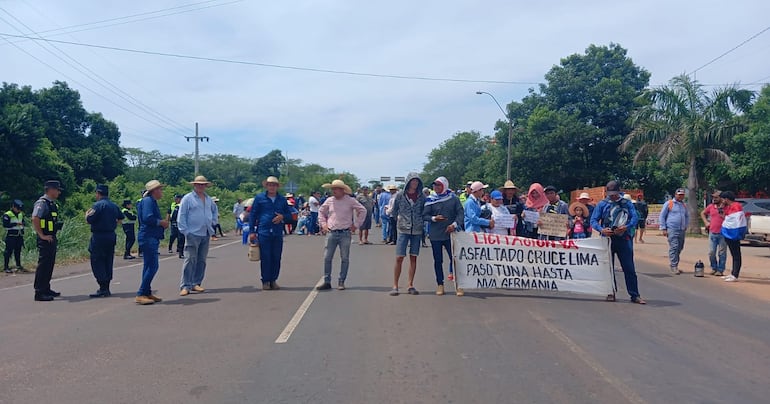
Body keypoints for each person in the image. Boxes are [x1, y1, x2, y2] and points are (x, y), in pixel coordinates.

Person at [591, 180, 646, 304]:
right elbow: (593, 220)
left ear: (619, 191)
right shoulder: (602, 204)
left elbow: (635, 217)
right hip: (607, 240)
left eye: (615, 193)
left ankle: (634, 295)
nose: (613, 196)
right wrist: (601, 229)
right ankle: (610, 292)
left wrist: (626, 227)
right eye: (611, 193)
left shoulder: (627, 203)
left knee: (629, 268)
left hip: (624, 238)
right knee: (608, 268)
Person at [316, 180, 367, 290]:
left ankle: (341, 281)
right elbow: (321, 211)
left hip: (345, 233)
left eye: (336, 188)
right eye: (333, 189)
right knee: (327, 257)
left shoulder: (350, 200)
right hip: (332, 232)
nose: (334, 191)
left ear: (342, 190)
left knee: (344, 258)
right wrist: (323, 224)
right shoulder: (329, 200)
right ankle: (327, 281)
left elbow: (363, 210)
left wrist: (356, 225)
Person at [177, 175, 218, 296]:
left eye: (203, 184)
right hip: (192, 233)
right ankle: (185, 285)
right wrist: (185, 231)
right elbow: (182, 215)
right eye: (198, 184)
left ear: (206, 186)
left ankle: (196, 283)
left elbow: (215, 210)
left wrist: (213, 221)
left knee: (201, 260)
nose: (201, 186)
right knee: (190, 259)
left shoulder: (208, 199)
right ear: (194, 185)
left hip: (205, 233)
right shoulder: (188, 198)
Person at [249, 176, 292, 290]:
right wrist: (252, 231)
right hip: (264, 231)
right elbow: (253, 214)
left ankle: (273, 280)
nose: (272, 187)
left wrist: (282, 217)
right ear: (266, 186)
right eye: (270, 185)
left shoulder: (282, 199)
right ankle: (265, 280)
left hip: (277, 232)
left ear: (277, 187)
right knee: (266, 257)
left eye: (274, 185)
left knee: (276, 257)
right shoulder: (259, 198)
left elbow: (289, 215)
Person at [423, 176, 463, 295]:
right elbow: (424, 215)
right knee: (438, 260)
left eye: (439, 185)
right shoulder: (430, 199)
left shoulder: (453, 198)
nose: (436, 187)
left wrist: (454, 225)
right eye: (435, 185)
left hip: (450, 234)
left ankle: (459, 285)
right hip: (435, 235)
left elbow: (460, 213)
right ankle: (440, 284)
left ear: (444, 185)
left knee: (455, 259)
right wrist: (434, 218)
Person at [389, 173, 426, 296]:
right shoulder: (400, 195)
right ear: (408, 182)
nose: (414, 183)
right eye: (413, 181)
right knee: (399, 257)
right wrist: (399, 220)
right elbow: (394, 211)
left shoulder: (421, 196)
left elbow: (424, 211)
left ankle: (410, 284)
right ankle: (395, 285)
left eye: (417, 181)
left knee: (413, 257)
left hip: (416, 229)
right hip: (403, 229)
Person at [85, 184, 124, 298]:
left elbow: (89, 220)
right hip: (111, 235)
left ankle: (102, 287)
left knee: (97, 260)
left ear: (98, 193)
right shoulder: (113, 205)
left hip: (99, 236)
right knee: (108, 260)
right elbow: (121, 218)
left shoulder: (97, 206)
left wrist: (86, 215)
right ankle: (106, 287)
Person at [135, 180, 170, 305]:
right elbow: (147, 218)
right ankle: (141, 293)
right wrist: (161, 222)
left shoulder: (150, 201)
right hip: (148, 236)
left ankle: (146, 292)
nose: (161, 191)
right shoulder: (148, 201)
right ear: (154, 191)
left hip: (149, 236)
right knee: (153, 266)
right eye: (160, 189)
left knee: (148, 265)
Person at [31, 180, 64, 301]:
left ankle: (46, 288)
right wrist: (41, 235)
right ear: (50, 190)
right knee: (44, 265)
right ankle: (39, 292)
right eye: (57, 190)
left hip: (51, 237)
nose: (59, 192)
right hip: (45, 239)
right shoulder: (42, 203)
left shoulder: (52, 204)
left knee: (49, 265)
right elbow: (35, 218)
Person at [660, 188, 689, 275]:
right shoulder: (669, 203)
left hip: (681, 230)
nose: (681, 196)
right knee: (674, 247)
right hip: (672, 229)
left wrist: (686, 225)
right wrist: (664, 228)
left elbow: (687, 216)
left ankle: (675, 263)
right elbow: (662, 216)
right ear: (675, 195)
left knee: (680, 247)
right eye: (679, 195)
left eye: (682, 195)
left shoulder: (684, 205)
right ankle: (674, 266)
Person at [720, 191, 747, 282]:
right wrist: (722, 208)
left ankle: (735, 275)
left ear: (726, 199)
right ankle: (732, 273)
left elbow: (736, 221)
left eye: (723, 199)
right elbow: (725, 218)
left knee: (736, 254)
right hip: (728, 233)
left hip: (734, 233)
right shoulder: (729, 207)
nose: (722, 201)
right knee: (733, 254)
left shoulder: (736, 206)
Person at [700, 190, 727, 276]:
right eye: (713, 197)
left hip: (723, 233)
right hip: (712, 232)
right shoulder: (711, 206)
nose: (714, 199)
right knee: (711, 252)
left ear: (721, 198)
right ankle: (714, 267)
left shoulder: (726, 207)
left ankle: (720, 269)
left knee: (722, 253)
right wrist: (706, 222)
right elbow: (703, 213)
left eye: (716, 197)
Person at [3, 199, 26, 273]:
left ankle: (18, 265)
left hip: (19, 235)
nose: (19, 210)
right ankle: (6, 267)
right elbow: (5, 225)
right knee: (8, 251)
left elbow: (23, 222)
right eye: (17, 209)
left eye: (20, 209)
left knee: (18, 251)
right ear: (13, 207)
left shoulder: (20, 214)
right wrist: (15, 224)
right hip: (11, 235)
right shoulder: (7, 214)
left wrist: (23, 224)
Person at [167, 194, 185, 258]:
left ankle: (180, 251)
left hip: (183, 224)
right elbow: (171, 214)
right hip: (175, 223)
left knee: (181, 238)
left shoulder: (184, 206)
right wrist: (168, 221)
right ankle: (170, 247)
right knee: (173, 235)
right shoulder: (175, 206)